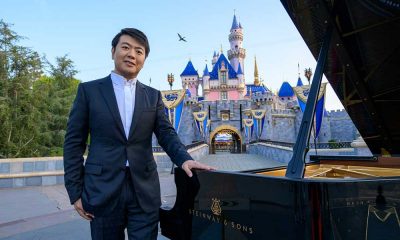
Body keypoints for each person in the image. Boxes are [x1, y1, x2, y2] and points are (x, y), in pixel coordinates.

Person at [63, 28, 214, 240]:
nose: (131, 54)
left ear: (144, 59)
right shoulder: (89, 92)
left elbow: (166, 133)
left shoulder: (152, 96)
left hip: (144, 191)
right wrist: (74, 192)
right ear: (113, 51)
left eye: (139, 51)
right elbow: (73, 144)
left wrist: (185, 160)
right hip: (101, 191)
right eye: (125, 47)